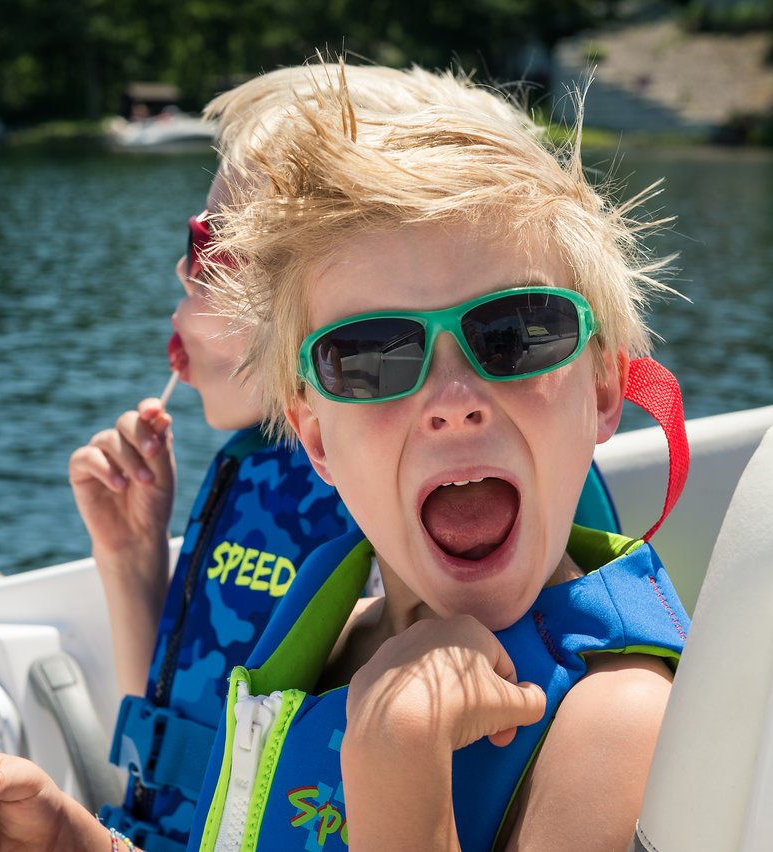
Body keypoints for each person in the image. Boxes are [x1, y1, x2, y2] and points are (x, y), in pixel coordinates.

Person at [0, 64, 670, 852]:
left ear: (604, 387)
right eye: (371, 357)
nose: (453, 396)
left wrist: (398, 762)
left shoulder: (612, 718)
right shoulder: (331, 635)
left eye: (516, 334)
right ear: (313, 436)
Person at [69, 63, 525, 852]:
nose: (183, 271)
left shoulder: (393, 492)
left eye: (210, 251)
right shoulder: (258, 464)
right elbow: (187, 745)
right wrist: (131, 558)